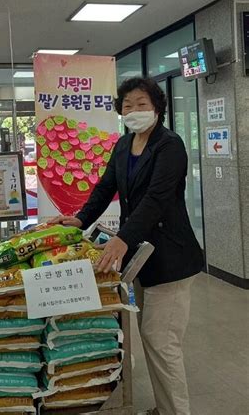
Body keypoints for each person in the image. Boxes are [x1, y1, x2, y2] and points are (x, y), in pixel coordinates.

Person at [51, 77, 203, 415]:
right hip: (142, 257)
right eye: (128, 104)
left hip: (172, 259)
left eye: (142, 103)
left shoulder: (170, 145)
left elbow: (156, 200)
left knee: (162, 342)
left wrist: (122, 239)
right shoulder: (124, 144)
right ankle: (165, 409)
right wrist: (81, 218)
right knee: (152, 337)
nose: (134, 110)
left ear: (158, 108)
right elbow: (106, 186)